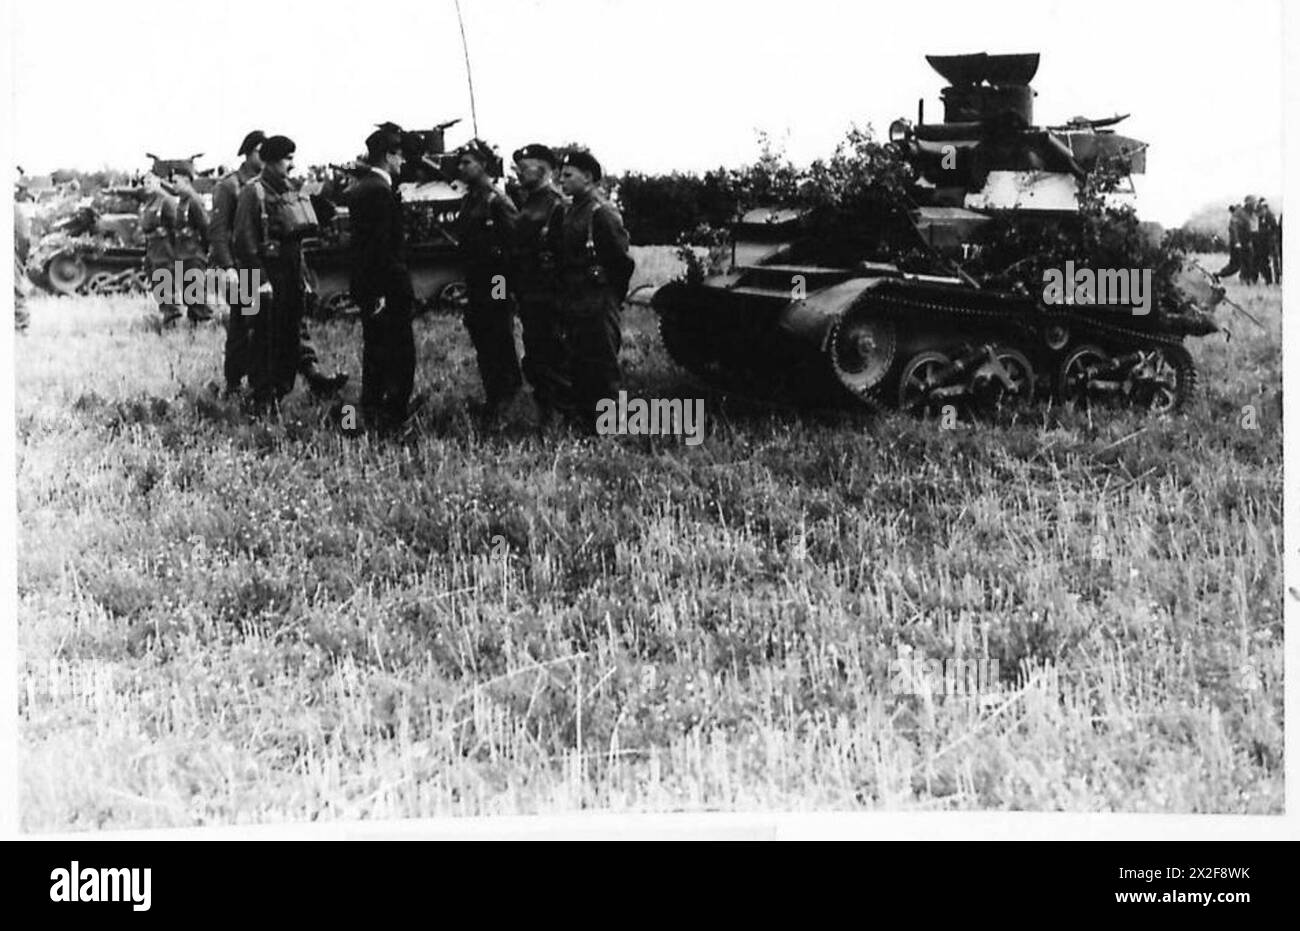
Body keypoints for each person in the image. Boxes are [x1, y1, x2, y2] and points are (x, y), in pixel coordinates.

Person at [212, 131, 344, 399]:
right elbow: (240, 238)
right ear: (262, 157)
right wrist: (246, 275)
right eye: (287, 159)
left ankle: (288, 386)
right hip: (258, 272)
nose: (292, 164)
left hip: (289, 271)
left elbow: (314, 219)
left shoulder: (288, 186)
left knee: (290, 330)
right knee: (253, 332)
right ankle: (248, 389)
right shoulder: (246, 189)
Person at [549, 149, 635, 432]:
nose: (562, 180)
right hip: (573, 300)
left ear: (588, 177)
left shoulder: (603, 212)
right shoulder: (565, 210)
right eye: (561, 175)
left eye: (568, 175)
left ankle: (609, 427)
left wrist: (609, 295)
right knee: (577, 363)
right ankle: (585, 422)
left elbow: (621, 262)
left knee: (602, 367)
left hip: (597, 302)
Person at [347, 127, 420, 426]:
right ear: (389, 155)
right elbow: (378, 246)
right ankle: (392, 411)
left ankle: (374, 406)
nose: (403, 162)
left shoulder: (365, 187)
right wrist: (379, 292)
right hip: (387, 286)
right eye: (400, 155)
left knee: (377, 347)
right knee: (398, 349)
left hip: (377, 285)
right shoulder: (378, 190)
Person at [454, 139, 522, 423]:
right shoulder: (471, 200)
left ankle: (510, 401)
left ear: (483, 164)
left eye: (467, 162)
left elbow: (513, 247)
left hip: (495, 280)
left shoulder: (497, 201)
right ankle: (494, 399)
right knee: (484, 341)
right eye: (460, 163)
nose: (461, 167)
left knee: (499, 338)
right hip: (478, 281)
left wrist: (500, 293)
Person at [509, 144, 570, 424]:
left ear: (545, 169)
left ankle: (559, 416)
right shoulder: (531, 201)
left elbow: (565, 256)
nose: (519, 173)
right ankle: (547, 413)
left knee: (554, 357)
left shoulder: (557, 205)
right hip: (530, 295)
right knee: (536, 358)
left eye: (525, 167)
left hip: (549, 296)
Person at [139, 158, 211, 324]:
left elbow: (205, 227)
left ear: (186, 180)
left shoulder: (192, 201)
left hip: (193, 253)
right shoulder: (183, 201)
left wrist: (203, 250)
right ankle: (191, 325)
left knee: (196, 293)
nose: (173, 184)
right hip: (183, 253)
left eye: (176, 181)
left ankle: (203, 325)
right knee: (189, 293)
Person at [1256, 198, 1280, 285]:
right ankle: (1268, 280)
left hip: (1272, 242)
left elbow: (1274, 230)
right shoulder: (1260, 217)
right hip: (1264, 243)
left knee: (1275, 262)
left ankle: (1277, 280)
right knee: (1263, 262)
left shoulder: (1270, 216)